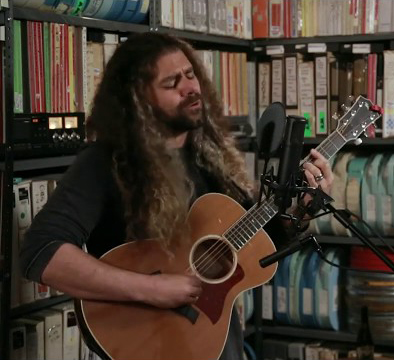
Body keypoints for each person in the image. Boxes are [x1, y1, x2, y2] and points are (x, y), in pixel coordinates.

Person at [18, 32, 333, 360]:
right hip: (148, 340)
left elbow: (253, 248)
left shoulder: (209, 157)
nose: (190, 88)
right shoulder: (105, 162)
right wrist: (153, 289)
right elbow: (41, 252)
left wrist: (302, 210)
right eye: (171, 84)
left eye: (190, 74)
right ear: (137, 99)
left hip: (213, 340)